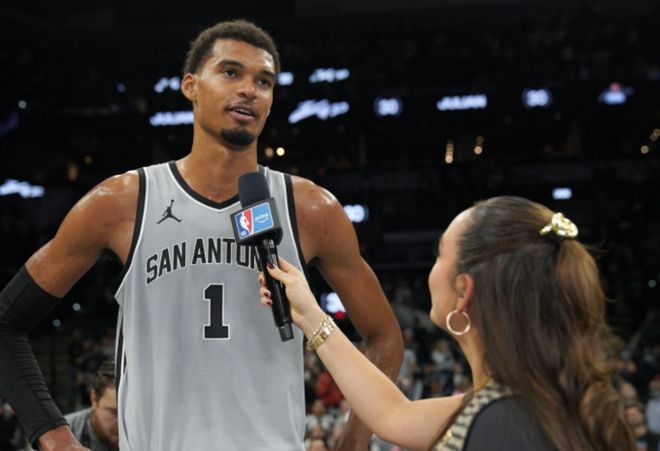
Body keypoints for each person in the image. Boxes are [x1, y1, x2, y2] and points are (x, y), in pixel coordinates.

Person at [0, 19, 403, 451]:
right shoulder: (121, 202)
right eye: (231, 72)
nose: (249, 90)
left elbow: (385, 337)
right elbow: (7, 322)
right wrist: (56, 439)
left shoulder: (311, 210)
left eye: (264, 81)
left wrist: (353, 443)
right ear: (190, 85)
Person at [259, 196, 636, 450]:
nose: (431, 269)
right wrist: (310, 315)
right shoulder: (522, 401)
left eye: (439, 254)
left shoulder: (505, 422)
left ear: (463, 290)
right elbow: (393, 415)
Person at [64, 361, 118, 451]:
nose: (122, 425)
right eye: (114, 413)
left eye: (130, 416)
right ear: (94, 399)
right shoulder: (63, 433)